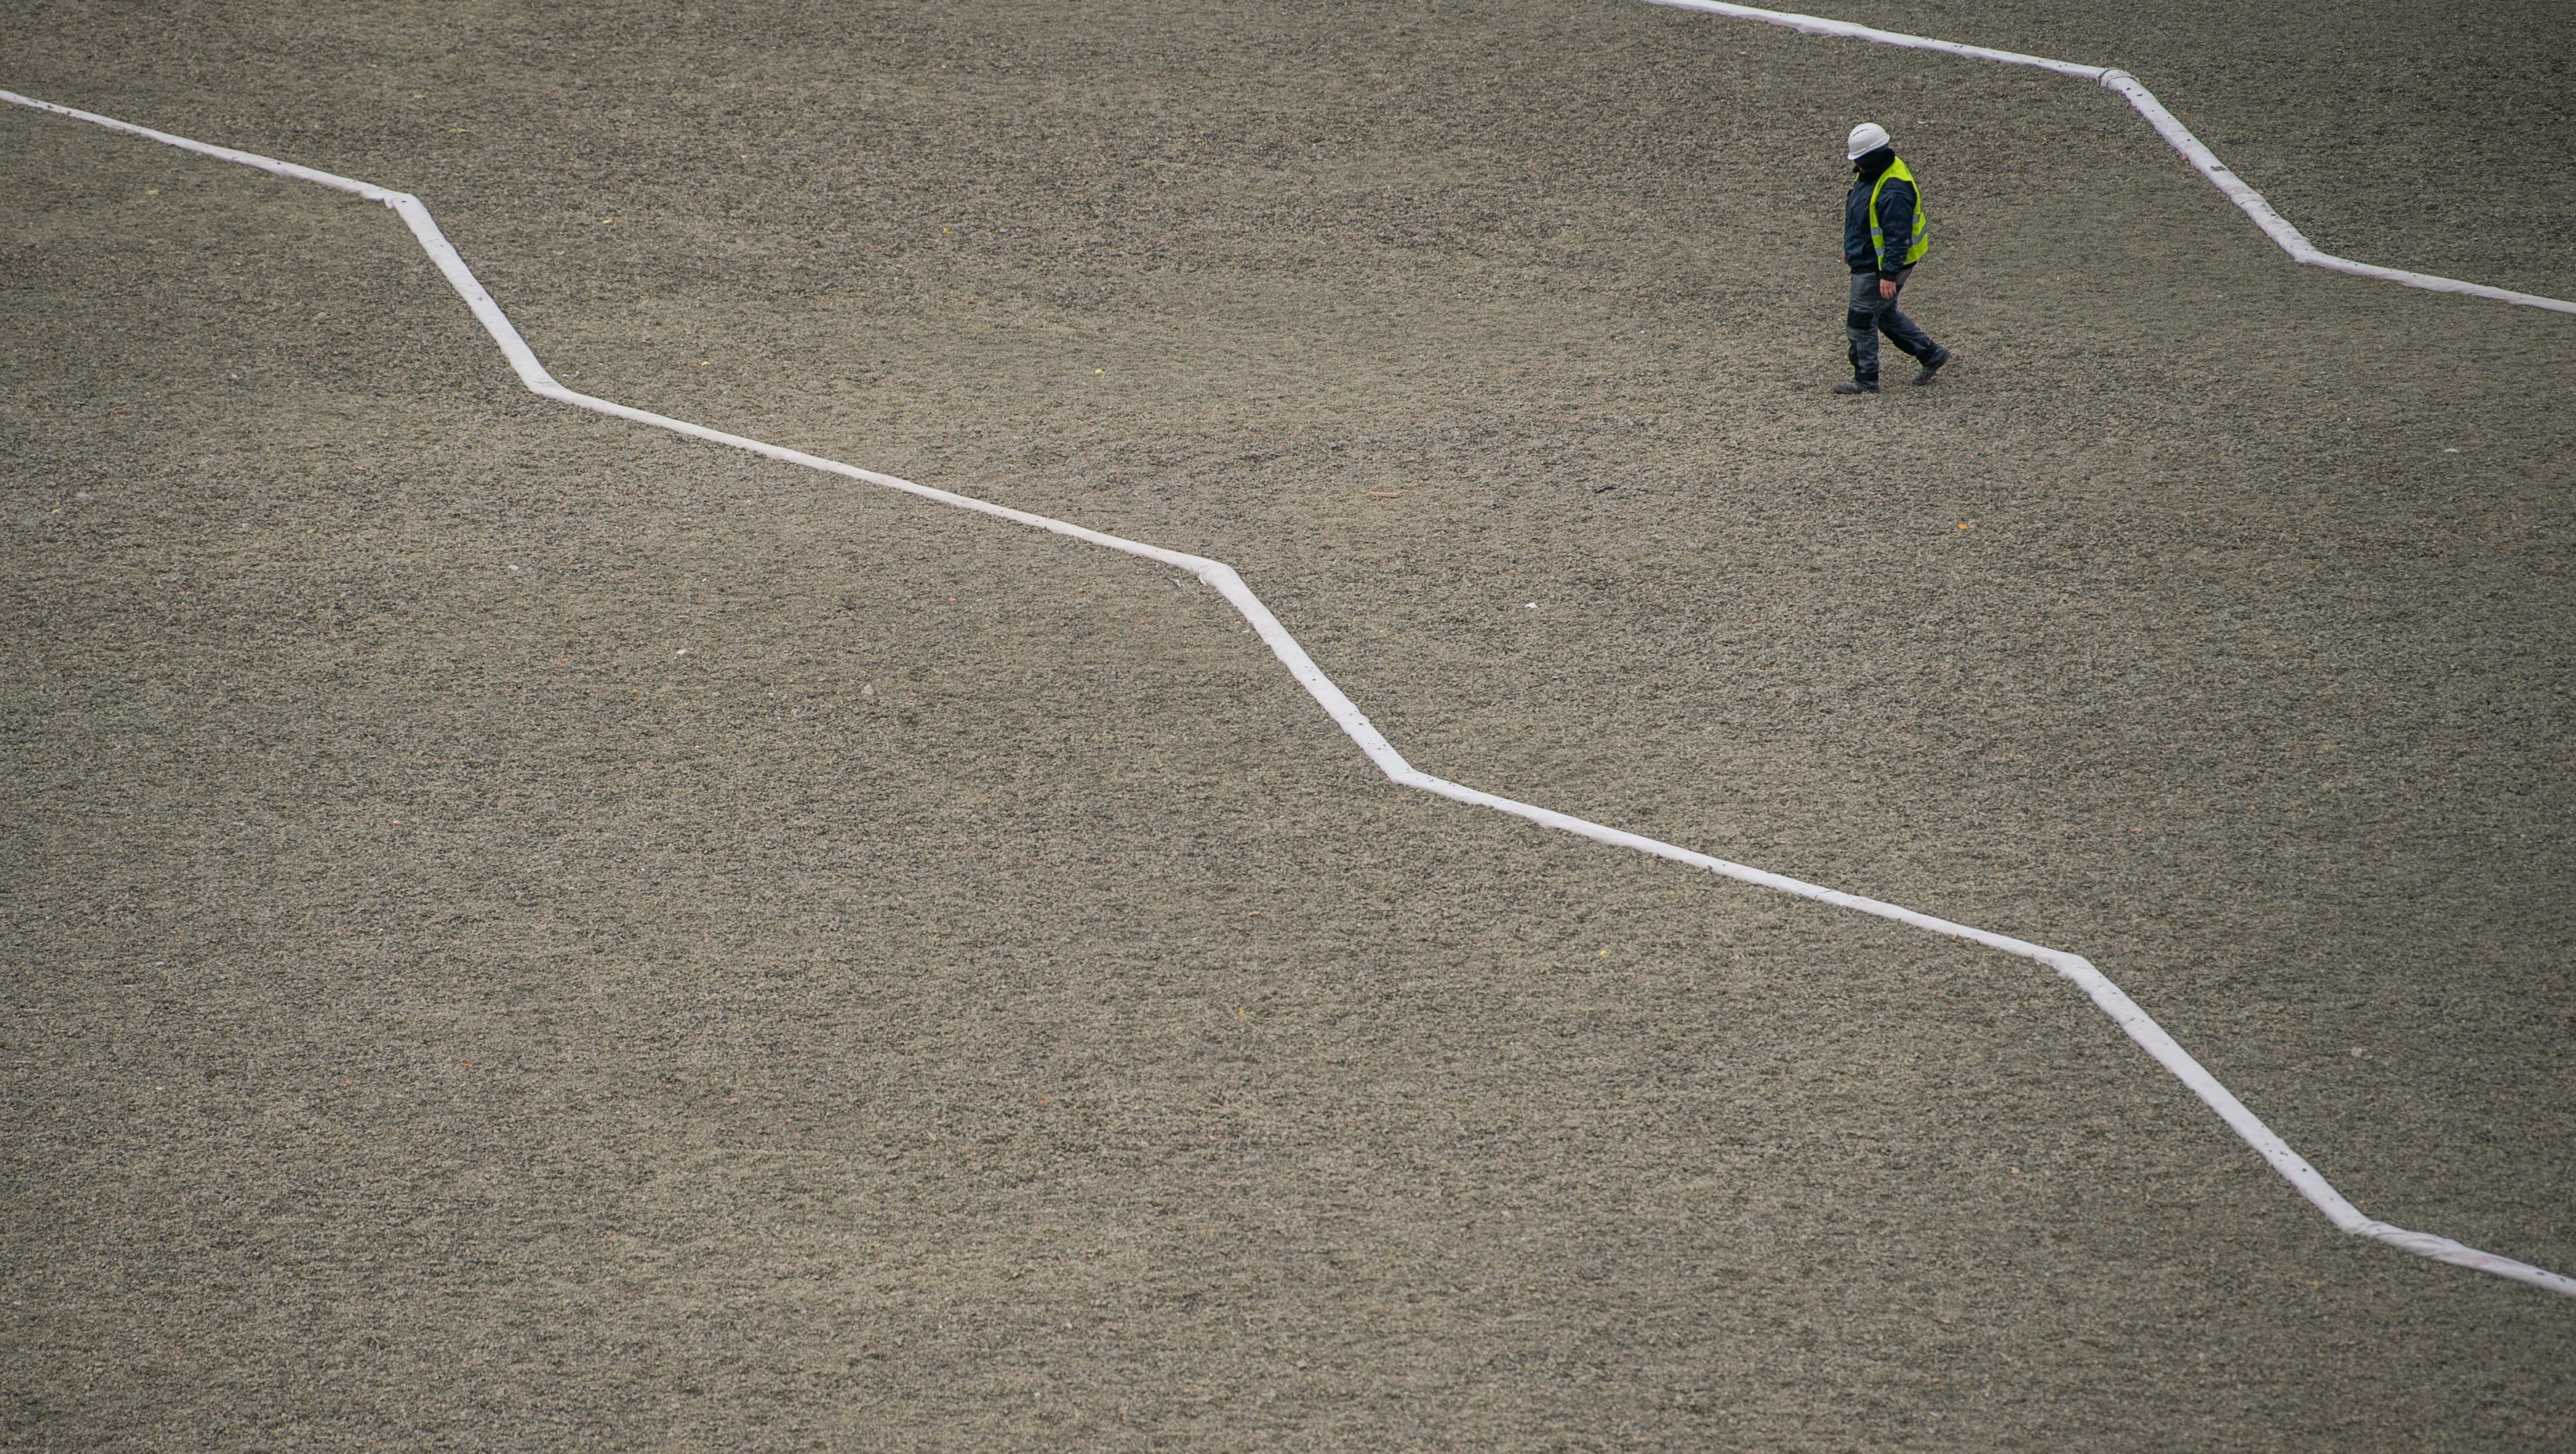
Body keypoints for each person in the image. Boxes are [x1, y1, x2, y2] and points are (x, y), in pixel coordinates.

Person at [1836, 122, 1951, 394]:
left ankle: (1865, 381)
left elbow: (1897, 238)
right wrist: (1850, 247)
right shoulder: (1874, 171)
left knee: (1861, 320)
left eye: (1861, 161)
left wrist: (1889, 275)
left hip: (1880, 265)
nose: (1857, 166)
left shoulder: (1894, 190)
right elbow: (1861, 214)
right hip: (1871, 259)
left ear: (1872, 156)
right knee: (1884, 314)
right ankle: (1931, 354)